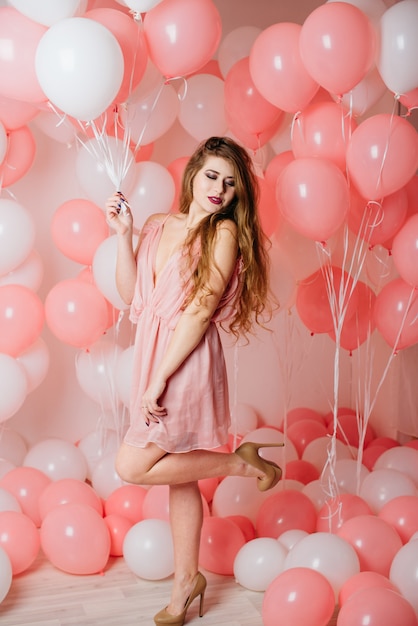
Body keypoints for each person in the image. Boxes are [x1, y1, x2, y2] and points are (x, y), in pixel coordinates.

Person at [105, 136, 282, 626]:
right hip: (154, 354)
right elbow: (131, 296)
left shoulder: (222, 234)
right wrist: (124, 235)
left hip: (184, 362)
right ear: (193, 175)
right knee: (180, 475)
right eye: (211, 176)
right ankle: (187, 582)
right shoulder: (161, 225)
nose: (219, 190)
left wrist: (159, 379)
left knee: (131, 465)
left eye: (230, 183)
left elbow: (201, 310)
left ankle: (239, 464)